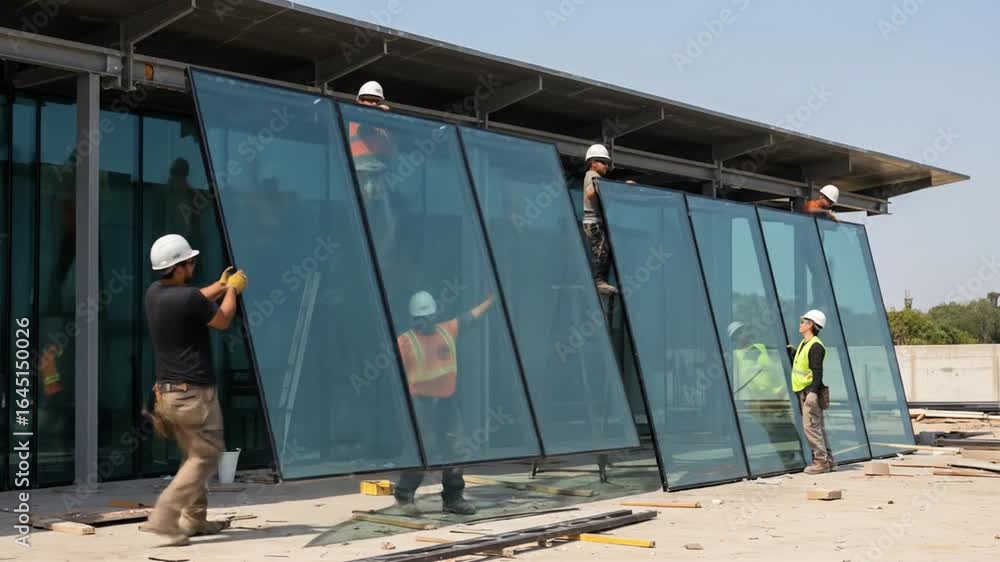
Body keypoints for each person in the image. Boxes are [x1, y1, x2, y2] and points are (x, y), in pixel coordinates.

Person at [141, 233, 247, 546]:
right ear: (177, 267)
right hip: (193, 395)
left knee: (193, 455)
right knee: (207, 456)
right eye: (190, 262)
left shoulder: (155, 293)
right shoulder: (187, 299)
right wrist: (233, 291)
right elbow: (222, 319)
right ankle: (164, 517)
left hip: (169, 394)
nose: (193, 265)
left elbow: (196, 300)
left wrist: (221, 284)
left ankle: (194, 521)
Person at [394, 290, 496, 516]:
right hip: (419, 403)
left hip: (446, 401)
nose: (425, 322)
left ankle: (453, 498)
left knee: (456, 448)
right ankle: (404, 495)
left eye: (428, 317)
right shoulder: (405, 342)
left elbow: (470, 317)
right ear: (413, 319)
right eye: (421, 318)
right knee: (423, 449)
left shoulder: (447, 330)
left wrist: (491, 300)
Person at [729, 322, 800, 467]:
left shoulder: (762, 348)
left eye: (743, 330)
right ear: (734, 339)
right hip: (758, 401)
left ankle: (800, 455)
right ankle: (788, 460)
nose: (743, 334)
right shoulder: (734, 356)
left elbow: (780, 365)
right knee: (774, 431)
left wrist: (783, 389)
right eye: (738, 333)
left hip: (776, 397)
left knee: (788, 429)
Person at [349, 80, 397, 255]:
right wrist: (381, 114)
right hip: (361, 175)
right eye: (366, 100)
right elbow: (365, 126)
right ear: (358, 100)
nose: (370, 104)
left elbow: (391, 151)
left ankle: (380, 258)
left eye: (375, 101)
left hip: (379, 176)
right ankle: (361, 255)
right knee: (364, 221)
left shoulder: (382, 124)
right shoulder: (354, 117)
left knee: (386, 225)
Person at [787, 309, 834, 475]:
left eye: (803, 322)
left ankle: (821, 462)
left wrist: (813, 393)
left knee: (811, 428)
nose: (800, 324)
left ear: (811, 325)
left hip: (810, 392)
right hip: (803, 391)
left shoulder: (815, 346)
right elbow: (802, 365)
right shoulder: (804, 343)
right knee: (817, 427)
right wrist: (793, 354)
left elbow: (817, 371)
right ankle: (828, 461)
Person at [582, 144, 617, 295]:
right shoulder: (592, 175)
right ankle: (598, 281)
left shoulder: (593, 176)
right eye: (604, 162)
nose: (606, 166)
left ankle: (600, 280)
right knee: (601, 249)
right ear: (593, 163)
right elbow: (590, 193)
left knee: (603, 249)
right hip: (593, 222)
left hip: (594, 221)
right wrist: (606, 189)